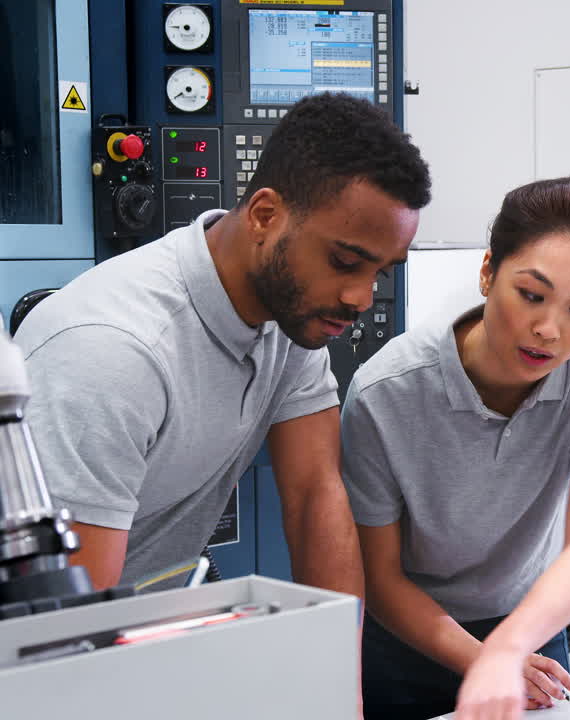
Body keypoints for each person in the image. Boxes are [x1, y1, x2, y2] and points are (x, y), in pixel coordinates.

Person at [14, 92, 431, 597]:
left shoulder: (293, 314)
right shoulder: (112, 355)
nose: (360, 297)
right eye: (345, 262)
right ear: (264, 215)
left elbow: (315, 495)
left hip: (152, 620)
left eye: (379, 272)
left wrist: (338, 670)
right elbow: (71, 619)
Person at [341, 176, 570, 720]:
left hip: (529, 632)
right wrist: (483, 659)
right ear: (487, 272)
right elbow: (379, 577)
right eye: (531, 295)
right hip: (407, 642)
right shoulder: (387, 391)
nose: (549, 329)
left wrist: (506, 651)